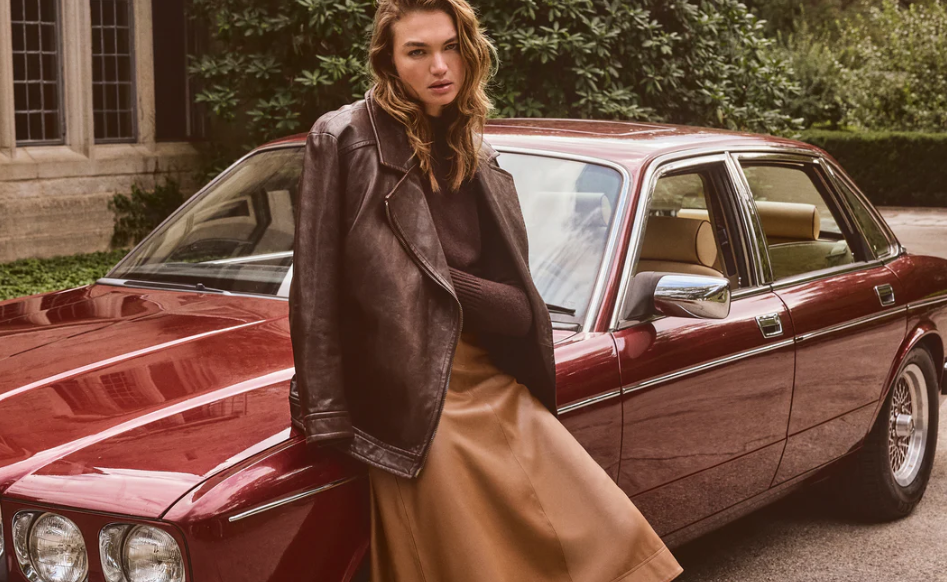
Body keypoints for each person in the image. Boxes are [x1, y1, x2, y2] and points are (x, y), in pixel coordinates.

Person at [288, 0, 684, 580]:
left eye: (450, 47)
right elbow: (316, 288)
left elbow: (519, 310)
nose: (438, 65)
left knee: (602, 529)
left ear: (470, 52)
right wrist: (326, 413)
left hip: (486, 371)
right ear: (389, 62)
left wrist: (447, 283)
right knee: (471, 558)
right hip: (406, 383)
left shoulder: (479, 150)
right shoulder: (346, 138)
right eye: (417, 52)